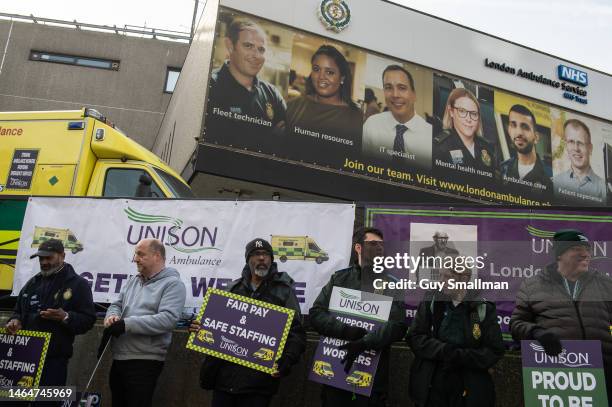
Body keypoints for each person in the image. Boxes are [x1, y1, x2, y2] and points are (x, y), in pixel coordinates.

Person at [195, 238, 306, 407]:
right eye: (256, 254)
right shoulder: (232, 289)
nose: (262, 258)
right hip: (224, 381)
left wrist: (286, 360)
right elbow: (214, 329)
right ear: (248, 259)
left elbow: (296, 334)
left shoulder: (284, 292)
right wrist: (199, 328)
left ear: (271, 259)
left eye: (266, 254)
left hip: (258, 385)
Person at [309, 227, 407, 407]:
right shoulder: (339, 279)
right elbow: (316, 314)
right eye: (373, 244)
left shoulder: (392, 284)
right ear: (358, 248)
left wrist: (364, 342)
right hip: (334, 370)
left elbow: (398, 325)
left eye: (381, 245)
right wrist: (345, 330)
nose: (379, 248)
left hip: (371, 378)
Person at [510, 229, 612, 396]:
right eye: (578, 250)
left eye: (588, 250)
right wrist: (537, 333)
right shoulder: (532, 286)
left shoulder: (605, 284)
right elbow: (516, 325)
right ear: (560, 255)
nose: (586, 254)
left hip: (603, 374)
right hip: (558, 377)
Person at [407, 257, 504, 407]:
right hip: (433, 381)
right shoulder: (431, 300)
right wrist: (443, 350)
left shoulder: (482, 308)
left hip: (467, 383)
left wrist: (461, 356)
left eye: (447, 277)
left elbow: (494, 350)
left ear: (464, 278)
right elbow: (414, 336)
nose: (441, 281)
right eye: (439, 276)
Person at [5, 239, 96, 393]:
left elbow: (88, 320)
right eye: (41, 258)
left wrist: (65, 317)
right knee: (12, 401)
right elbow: (18, 311)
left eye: (49, 258)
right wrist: (15, 321)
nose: (44, 262)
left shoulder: (78, 284)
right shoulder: (32, 283)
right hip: (23, 359)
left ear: (62, 256)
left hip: (53, 361)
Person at [104, 238, 186, 407]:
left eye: (140, 254)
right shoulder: (133, 280)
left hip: (145, 361)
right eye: (135, 254)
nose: (135, 258)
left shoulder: (173, 284)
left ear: (156, 256)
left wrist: (127, 324)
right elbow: (116, 304)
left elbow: (168, 319)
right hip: (119, 356)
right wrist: (112, 316)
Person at [205, 18, 286, 152]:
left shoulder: (272, 93)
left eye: (261, 49)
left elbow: (288, 137)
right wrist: (271, 137)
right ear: (230, 45)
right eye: (248, 46)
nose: (256, 55)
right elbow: (218, 139)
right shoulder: (210, 86)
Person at [285, 44, 363, 166]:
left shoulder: (356, 118)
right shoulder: (292, 106)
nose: (321, 77)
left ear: (342, 78)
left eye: (330, 72)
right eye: (316, 69)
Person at [362, 65, 432, 170]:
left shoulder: (430, 135)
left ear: (414, 95)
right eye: (388, 88)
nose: (395, 95)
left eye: (402, 88)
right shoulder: (371, 125)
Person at [433, 88, 496, 178]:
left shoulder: (489, 149)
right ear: (451, 112)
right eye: (462, 111)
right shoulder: (440, 147)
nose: (468, 119)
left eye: (473, 113)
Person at [500, 104, 552, 200]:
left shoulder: (551, 177)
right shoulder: (502, 169)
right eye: (513, 125)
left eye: (525, 127)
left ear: (536, 137)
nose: (519, 132)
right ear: (509, 130)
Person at [552, 119, 606, 205]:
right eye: (571, 142)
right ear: (566, 146)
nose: (576, 148)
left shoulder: (604, 188)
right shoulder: (554, 183)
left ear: (590, 148)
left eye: (581, 143)